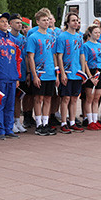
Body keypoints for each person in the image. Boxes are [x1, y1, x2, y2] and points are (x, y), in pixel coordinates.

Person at [0, 13, 22, 139]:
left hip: (12, 78)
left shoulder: (14, 41)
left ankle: (9, 128)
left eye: (6, 21)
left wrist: (17, 76)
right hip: (0, 78)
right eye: (2, 21)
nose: (5, 23)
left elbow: (18, 60)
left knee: (10, 104)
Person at [26, 8, 58, 136]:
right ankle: (39, 124)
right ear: (37, 22)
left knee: (48, 98)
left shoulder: (51, 36)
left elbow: (54, 54)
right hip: (40, 73)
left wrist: (56, 73)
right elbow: (30, 57)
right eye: (43, 20)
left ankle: (46, 123)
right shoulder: (33, 37)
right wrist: (34, 75)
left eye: (47, 20)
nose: (46, 22)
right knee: (38, 98)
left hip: (50, 72)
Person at [54, 13, 87, 133]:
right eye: (73, 20)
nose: (75, 23)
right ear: (67, 22)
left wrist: (83, 72)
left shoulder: (79, 37)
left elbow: (82, 55)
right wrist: (62, 73)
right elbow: (59, 56)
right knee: (65, 98)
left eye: (77, 21)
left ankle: (72, 121)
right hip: (67, 72)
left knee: (74, 98)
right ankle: (63, 122)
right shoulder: (62, 37)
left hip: (76, 72)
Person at [81, 25, 101, 130]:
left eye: (99, 32)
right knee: (89, 98)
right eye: (95, 32)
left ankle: (95, 120)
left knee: (97, 98)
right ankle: (90, 120)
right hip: (91, 70)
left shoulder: (100, 46)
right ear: (90, 33)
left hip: (100, 71)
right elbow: (85, 62)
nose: (98, 34)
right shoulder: (86, 46)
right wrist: (90, 76)